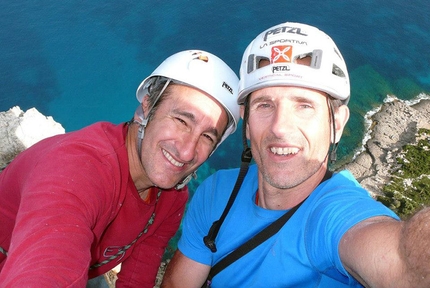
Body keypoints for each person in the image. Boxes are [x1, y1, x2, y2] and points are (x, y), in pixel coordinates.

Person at [161, 23, 430, 288]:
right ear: (246, 120)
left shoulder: (334, 216)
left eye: (304, 105)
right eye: (265, 105)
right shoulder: (216, 193)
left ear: (337, 124)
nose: (279, 127)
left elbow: (402, 260)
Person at [0, 49, 240, 287]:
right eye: (181, 120)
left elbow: (139, 271)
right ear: (148, 105)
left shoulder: (172, 195)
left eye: (207, 137)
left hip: (86, 271)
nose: (187, 152)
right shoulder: (77, 168)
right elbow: (47, 268)